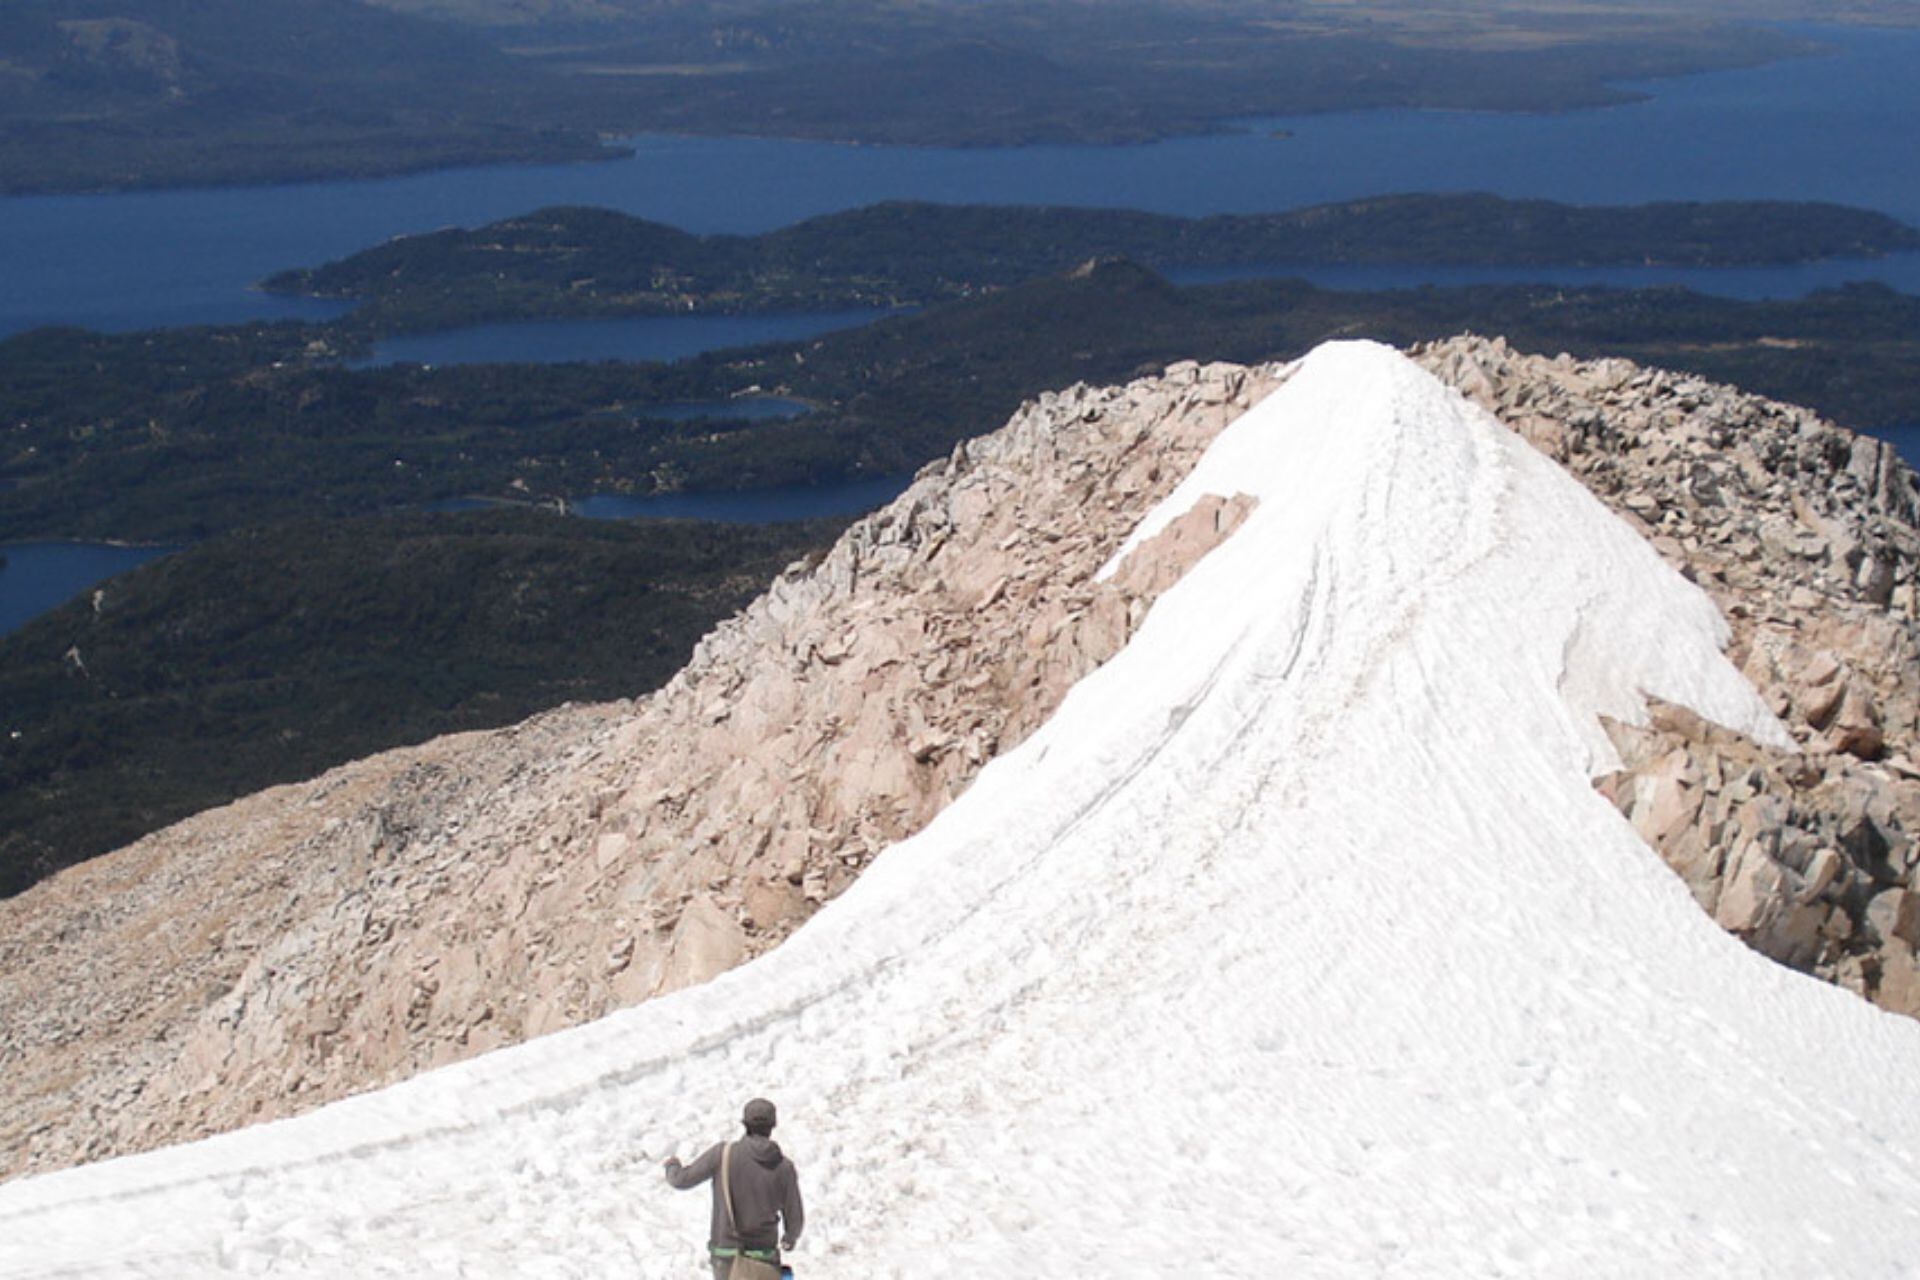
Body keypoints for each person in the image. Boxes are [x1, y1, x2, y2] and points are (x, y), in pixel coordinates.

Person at [665, 1097, 805, 1279]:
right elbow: (795, 1217)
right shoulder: (784, 1167)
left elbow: (680, 1181)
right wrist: (789, 1238)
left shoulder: (723, 1154)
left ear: (744, 1123)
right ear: (773, 1125)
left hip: (726, 1256)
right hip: (763, 1259)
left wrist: (672, 1165)